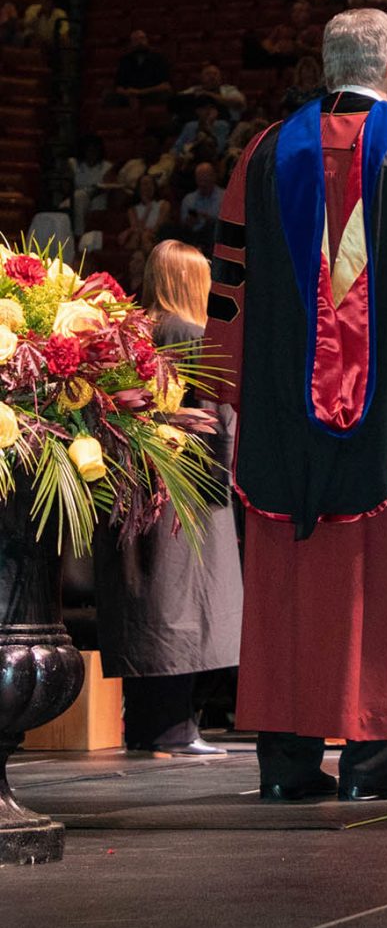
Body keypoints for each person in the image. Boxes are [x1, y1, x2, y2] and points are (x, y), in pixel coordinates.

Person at [207, 2, 387, 803]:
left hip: (280, 415)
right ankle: (375, 764)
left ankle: (288, 765)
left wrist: (233, 389)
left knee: (293, 587)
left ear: (327, 70)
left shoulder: (263, 153)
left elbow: (230, 287)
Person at [96, 241, 240, 757]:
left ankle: (145, 728)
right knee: (185, 608)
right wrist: (221, 485)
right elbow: (216, 412)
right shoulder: (192, 333)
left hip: (129, 484)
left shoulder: (127, 334)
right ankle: (177, 730)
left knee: (145, 608)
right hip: (185, 489)